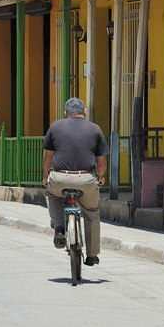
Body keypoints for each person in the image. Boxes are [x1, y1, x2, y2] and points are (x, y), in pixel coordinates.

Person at [42, 98, 108, 266]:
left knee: (52, 195)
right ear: (84, 111)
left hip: (60, 178)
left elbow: (48, 156)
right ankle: (92, 254)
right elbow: (101, 162)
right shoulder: (95, 129)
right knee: (91, 212)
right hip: (86, 179)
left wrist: (45, 177)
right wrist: (100, 177)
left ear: (66, 113)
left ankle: (59, 228)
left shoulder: (55, 127)